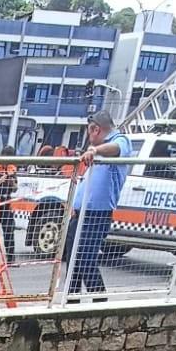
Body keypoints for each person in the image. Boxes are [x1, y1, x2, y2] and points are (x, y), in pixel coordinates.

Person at [62, 112, 132, 298]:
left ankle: (100, 302)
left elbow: (118, 148)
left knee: (85, 260)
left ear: (95, 129)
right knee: (73, 262)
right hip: (80, 214)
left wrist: (95, 150)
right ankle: (70, 303)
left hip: (96, 215)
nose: (88, 139)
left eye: (89, 133)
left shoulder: (120, 140)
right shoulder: (98, 150)